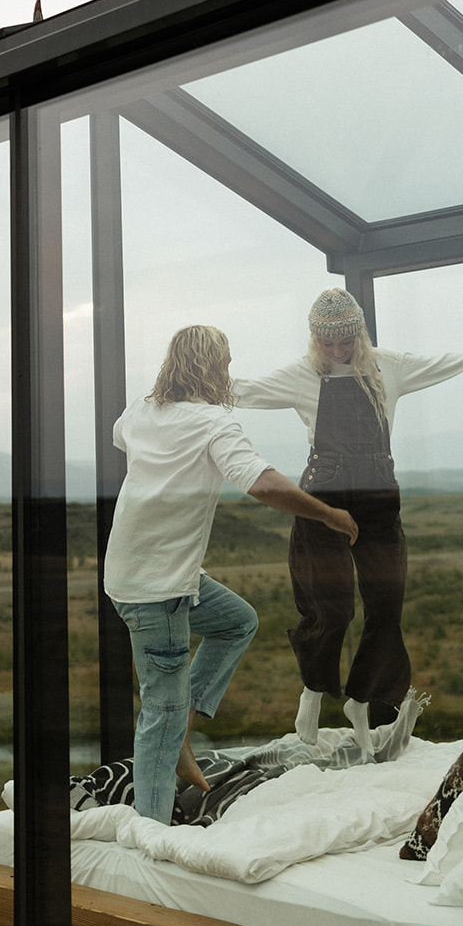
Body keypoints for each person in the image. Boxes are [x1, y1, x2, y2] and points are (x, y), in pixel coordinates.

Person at [104, 323, 358, 825]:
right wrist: (328, 514)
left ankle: (182, 726)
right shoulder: (215, 424)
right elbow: (261, 484)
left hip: (135, 575)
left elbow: (121, 439)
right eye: (225, 363)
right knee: (159, 713)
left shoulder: (139, 411)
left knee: (237, 620)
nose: (228, 371)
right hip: (160, 592)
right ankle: (151, 835)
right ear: (213, 367)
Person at [232, 288, 463, 745]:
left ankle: (363, 697)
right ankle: (315, 689)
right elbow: (243, 391)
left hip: (379, 496)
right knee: (331, 605)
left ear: (358, 334)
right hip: (323, 496)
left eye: (345, 341)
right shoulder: (301, 375)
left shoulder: (387, 366)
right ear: (316, 340)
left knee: (387, 603)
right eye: (328, 343)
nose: (338, 351)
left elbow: (440, 364)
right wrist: (183, 389)